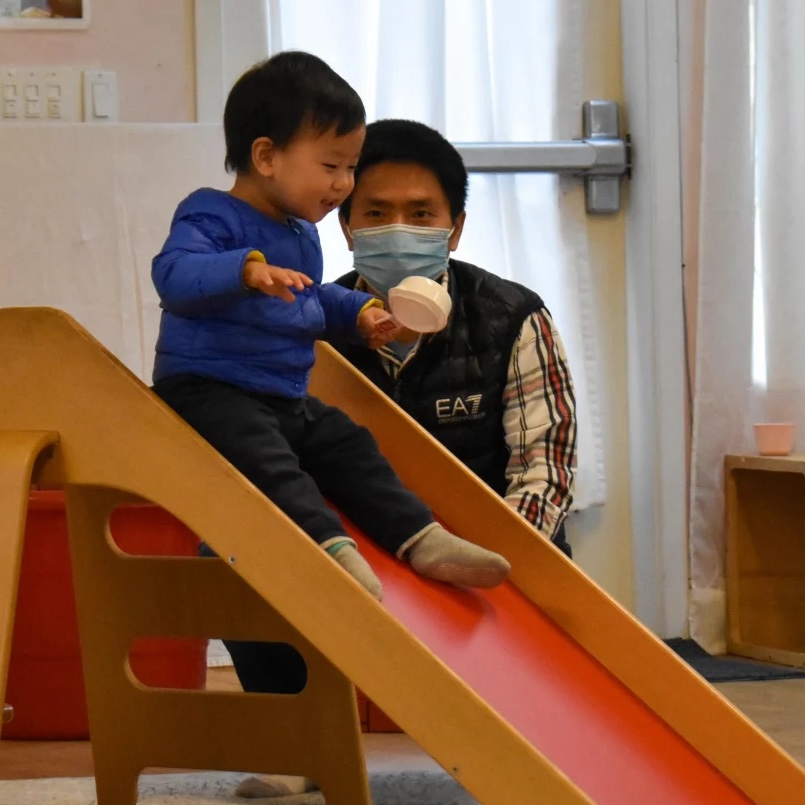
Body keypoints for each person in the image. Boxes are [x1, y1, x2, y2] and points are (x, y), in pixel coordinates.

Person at [150, 54, 510, 800]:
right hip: (208, 390)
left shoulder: (302, 234)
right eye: (334, 166)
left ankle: (421, 537)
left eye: (349, 167)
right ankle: (331, 548)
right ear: (265, 155)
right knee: (267, 462)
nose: (344, 186)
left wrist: (362, 315)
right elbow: (174, 275)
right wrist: (243, 269)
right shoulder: (211, 215)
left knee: (346, 442)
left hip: (279, 391)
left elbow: (314, 303)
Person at [333, 119, 577, 558]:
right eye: (376, 213)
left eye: (421, 214)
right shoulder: (316, 327)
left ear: (455, 229)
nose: (398, 228)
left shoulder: (514, 317)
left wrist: (489, 566)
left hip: (497, 564)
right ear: (347, 227)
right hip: (367, 571)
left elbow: (545, 474)